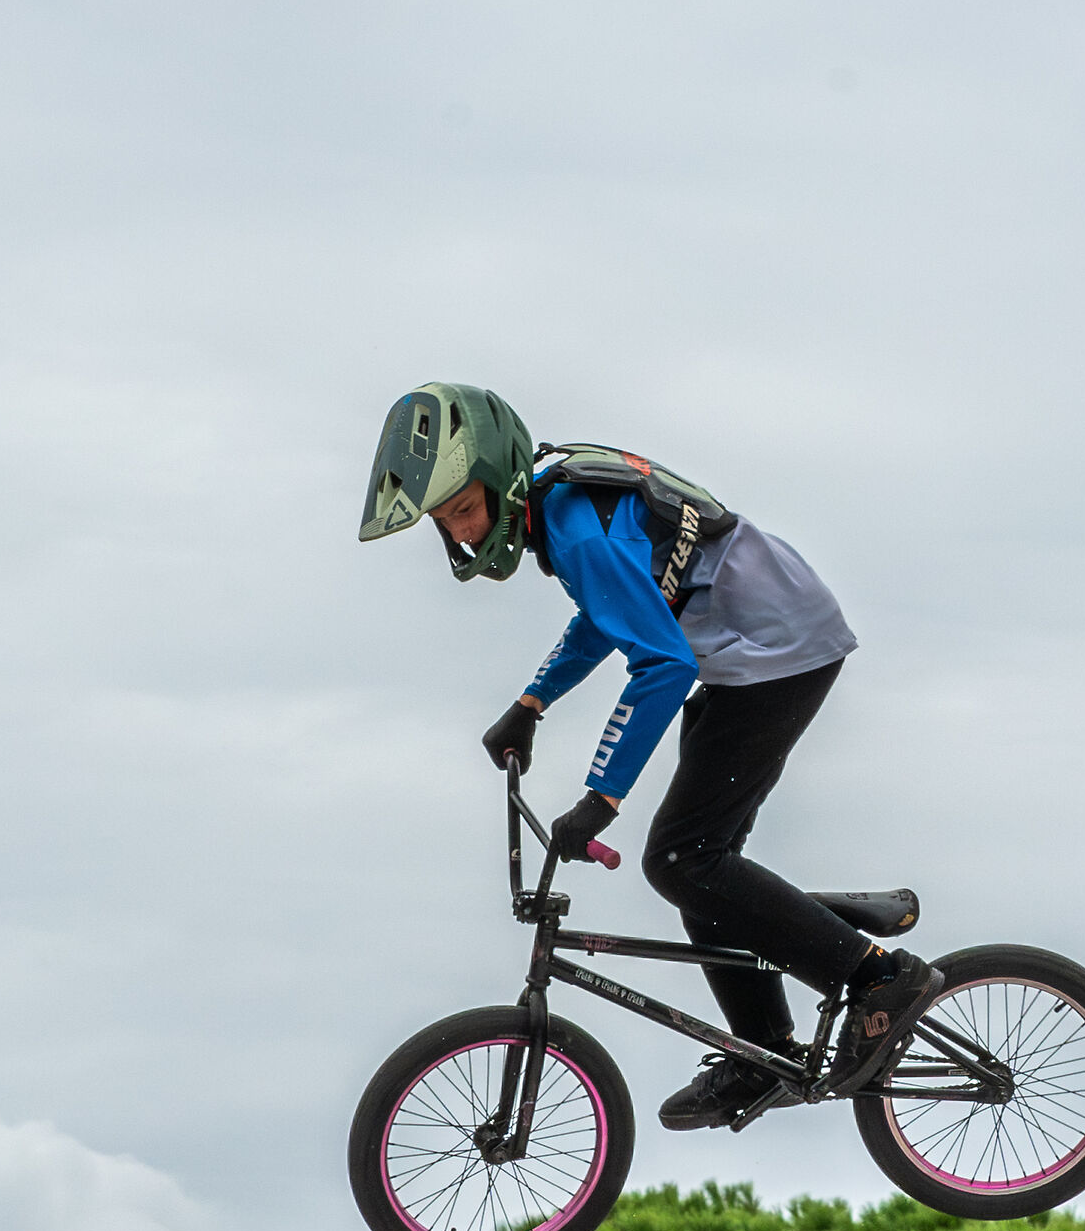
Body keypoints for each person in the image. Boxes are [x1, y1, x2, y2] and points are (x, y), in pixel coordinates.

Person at [358, 380, 944, 1126]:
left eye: (465, 511)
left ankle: (879, 979)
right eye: (446, 524)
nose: (465, 536)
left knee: (685, 858)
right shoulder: (561, 513)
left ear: (500, 478)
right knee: (695, 864)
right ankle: (763, 1046)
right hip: (749, 659)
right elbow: (608, 617)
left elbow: (662, 662)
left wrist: (602, 797)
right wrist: (531, 704)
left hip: (779, 652)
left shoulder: (577, 529)